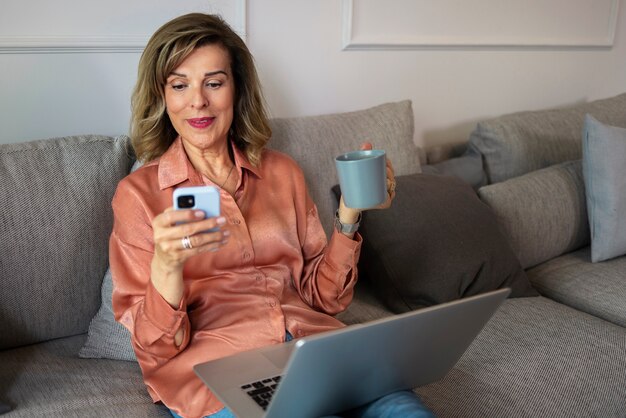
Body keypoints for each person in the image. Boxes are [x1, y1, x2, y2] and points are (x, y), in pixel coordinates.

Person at [109, 12, 434, 418]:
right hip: (219, 374)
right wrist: (167, 266)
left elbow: (324, 298)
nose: (198, 101)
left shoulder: (282, 173)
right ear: (163, 97)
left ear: (236, 89)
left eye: (214, 82)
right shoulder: (139, 196)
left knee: (407, 411)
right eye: (180, 85)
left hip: (314, 348)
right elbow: (156, 346)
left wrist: (348, 215)